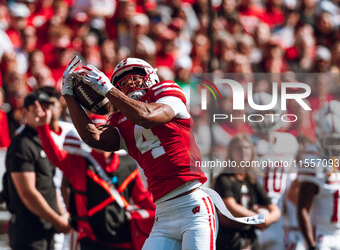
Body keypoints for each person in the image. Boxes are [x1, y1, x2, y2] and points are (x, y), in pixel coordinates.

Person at [62, 56, 264, 249]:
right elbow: (93, 138)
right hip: (163, 213)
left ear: (150, 76)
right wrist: (69, 96)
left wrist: (109, 90)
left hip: (193, 205)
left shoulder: (166, 92)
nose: (130, 83)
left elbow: (146, 117)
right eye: (122, 82)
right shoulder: (121, 120)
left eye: (135, 76)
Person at [35, 105, 156, 250]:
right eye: (93, 133)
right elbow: (56, 157)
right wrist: (43, 128)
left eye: (103, 131)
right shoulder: (80, 163)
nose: (99, 138)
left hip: (124, 238)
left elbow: (144, 200)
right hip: (91, 239)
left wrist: (163, 214)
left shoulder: (127, 164)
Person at [4, 90, 71, 250]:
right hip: (29, 232)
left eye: (46, 107)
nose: (42, 112)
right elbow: (27, 192)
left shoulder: (44, 141)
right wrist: (56, 219)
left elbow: (50, 183)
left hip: (48, 230)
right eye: (36, 109)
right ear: (25, 112)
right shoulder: (22, 144)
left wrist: (62, 214)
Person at [247, 92, 299, 250]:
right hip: (253, 212)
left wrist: (293, 222)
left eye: (267, 112)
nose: (264, 117)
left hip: (280, 217)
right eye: (259, 114)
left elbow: (292, 185)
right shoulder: (246, 143)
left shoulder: (289, 142)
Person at [214, 134, 281, 250]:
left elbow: (274, 209)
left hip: (250, 241)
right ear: (231, 153)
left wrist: (268, 219)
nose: (243, 151)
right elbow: (230, 206)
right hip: (229, 242)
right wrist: (257, 219)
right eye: (239, 148)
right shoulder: (224, 179)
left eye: (247, 148)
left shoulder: (251, 181)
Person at [297, 102, 340, 250]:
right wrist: (311, 244)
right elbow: (302, 207)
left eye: (338, 141)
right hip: (322, 234)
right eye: (331, 141)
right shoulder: (313, 160)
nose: (335, 146)